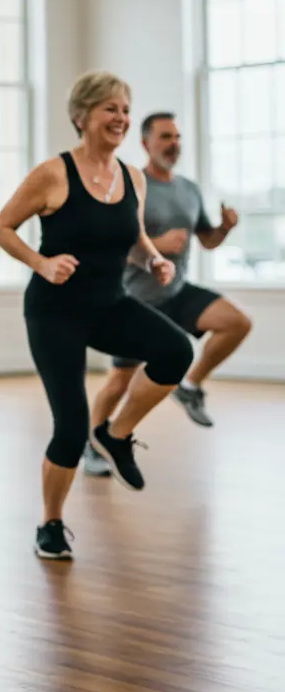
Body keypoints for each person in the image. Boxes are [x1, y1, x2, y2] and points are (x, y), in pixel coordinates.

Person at [0, 71, 194, 561]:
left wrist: (154, 259)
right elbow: (2, 227)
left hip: (108, 304)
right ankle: (51, 524)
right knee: (69, 425)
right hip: (54, 312)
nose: (121, 118)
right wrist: (41, 263)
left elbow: (133, 238)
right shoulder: (53, 173)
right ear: (82, 116)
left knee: (176, 350)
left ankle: (116, 433)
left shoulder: (132, 177)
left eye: (125, 110)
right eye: (110, 109)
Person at [84, 112, 250, 473]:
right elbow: (114, 243)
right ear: (145, 143)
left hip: (178, 291)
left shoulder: (188, 189)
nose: (173, 144)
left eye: (177, 137)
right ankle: (94, 445)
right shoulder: (131, 184)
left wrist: (224, 227)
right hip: (137, 299)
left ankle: (189, 386)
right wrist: (159, 243)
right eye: (165, 137)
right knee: (120, 381)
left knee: (236, 322)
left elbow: (206, 241)